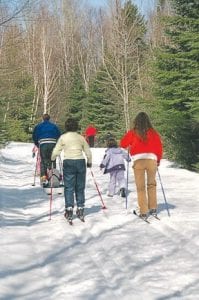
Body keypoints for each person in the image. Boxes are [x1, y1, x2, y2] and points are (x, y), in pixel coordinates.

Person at [120, 112, 163, 220]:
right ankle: (153, 208)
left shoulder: (133, 132)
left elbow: (123, 144)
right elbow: (159, 147)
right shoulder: (153, 133)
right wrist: (158, 160)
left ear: (136, 121)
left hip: (138, 160)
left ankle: (143, 211)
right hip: (151, 160)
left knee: (140, 187)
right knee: (152, 184)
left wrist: (130, 144)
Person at [51, 117, 92, 222]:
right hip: (80, 162)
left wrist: (53, 158)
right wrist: (89, 161)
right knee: (80, 186)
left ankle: (69, 209)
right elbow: (87, 150)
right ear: (76, 126)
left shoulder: (63, 137)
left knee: (69, 186)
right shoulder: (80, 138)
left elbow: (56, 150)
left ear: (66, 126)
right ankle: (80, 208)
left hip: (68, 162)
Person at [32, 113, 61, 185]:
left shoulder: (38, 126)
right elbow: (59, 135)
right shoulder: (54, 126)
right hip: (53, 143)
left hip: (43, 144)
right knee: (52, 160)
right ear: (49, 119)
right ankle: (53, 177)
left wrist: (37, 144)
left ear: (43, 119)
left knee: (43, 161)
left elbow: (34, 136)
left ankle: (43, 178)